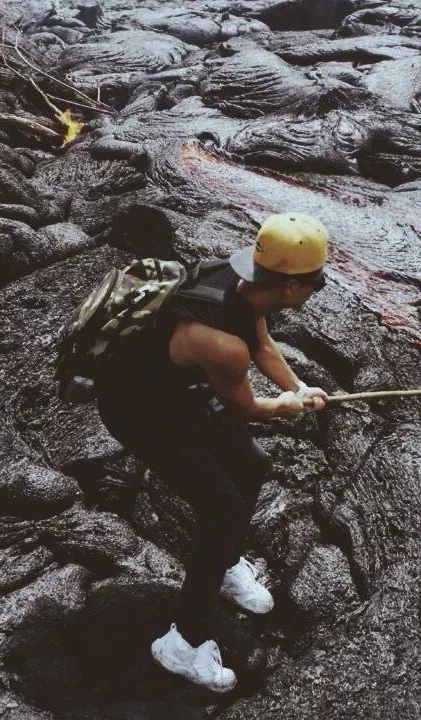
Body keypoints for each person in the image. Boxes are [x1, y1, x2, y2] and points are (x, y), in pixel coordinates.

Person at [95, 212, 330, 692]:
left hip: (180, 394)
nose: (315, 290)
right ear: (290, 287)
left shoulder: (242, 281)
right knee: (223, 508)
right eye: (316, 283)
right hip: (140, 410)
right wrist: (285, 406)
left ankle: (222, 567)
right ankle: (183, 643)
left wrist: (298, 387)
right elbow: (247, 406)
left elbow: (262, 343)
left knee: (252, 465)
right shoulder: (220, 345)